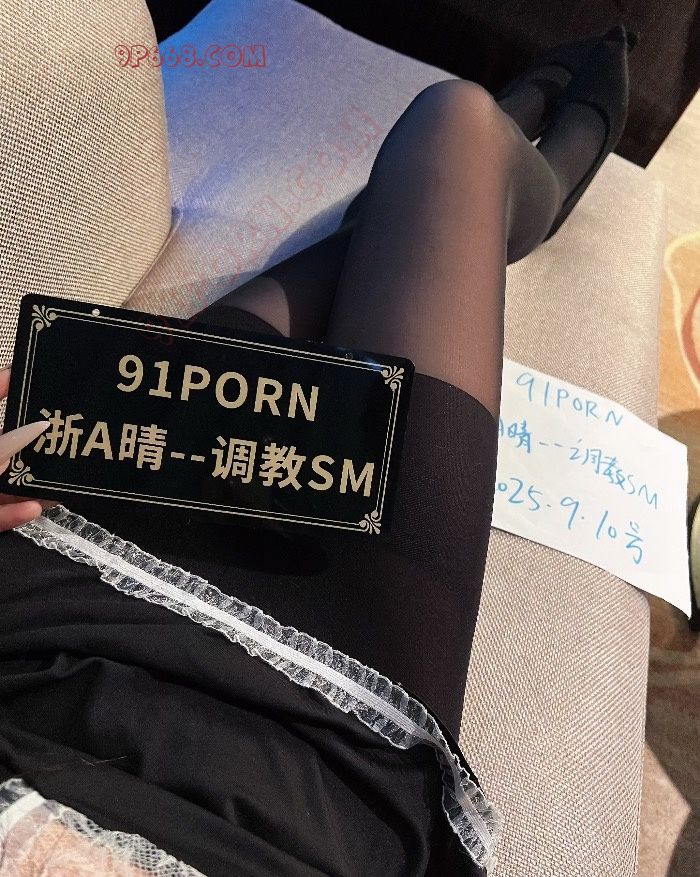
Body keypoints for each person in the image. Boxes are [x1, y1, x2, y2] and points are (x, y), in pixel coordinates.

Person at [0, 27, 631, 877]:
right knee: (455, 126)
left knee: (423, 171)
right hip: (306, 764)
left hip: (46, 594)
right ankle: (515, 181)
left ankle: (473, 175)